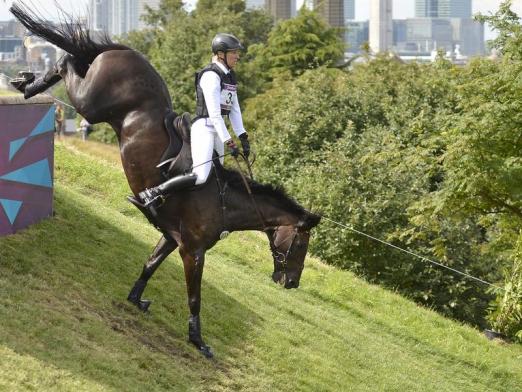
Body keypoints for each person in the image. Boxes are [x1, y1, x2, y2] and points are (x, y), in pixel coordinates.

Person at [139, 33, 251, 211]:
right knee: (200, 175)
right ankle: (153, 193)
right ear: (221, 54)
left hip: (217, 128)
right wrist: (229, 141)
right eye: (234, 53)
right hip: (205, 128)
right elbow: (214, 114)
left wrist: (243, 136)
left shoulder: (230, 76)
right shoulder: (211, 76)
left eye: (237, 53)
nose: (238, 56)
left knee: (216, 176)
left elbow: (234, 109)